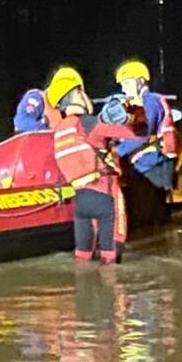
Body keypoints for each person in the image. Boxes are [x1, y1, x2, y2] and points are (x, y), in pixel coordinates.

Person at [47, 69, 141, 265]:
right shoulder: (90, 124)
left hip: (81, 203)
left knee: (82, 259)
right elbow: (136, 133)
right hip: (105, 196)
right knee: (111, 258)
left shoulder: (60, 132)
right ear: (78, 95)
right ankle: (114, 293)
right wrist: (135, 108)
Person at [112, 60, 179, 190]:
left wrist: (117, 152)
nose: (123, 89)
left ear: (141, 81)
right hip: (149, 165)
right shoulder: (144, 103)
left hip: (151, 166)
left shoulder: (150, 101)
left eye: (126, 83)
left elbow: (142, 134)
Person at [12, 67, 78, 133]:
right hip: (34, 140)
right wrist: (45, 129)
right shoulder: (37, 98)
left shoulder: (67, 110)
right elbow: (21, 121)